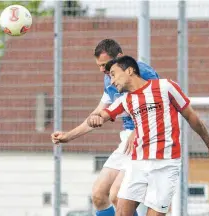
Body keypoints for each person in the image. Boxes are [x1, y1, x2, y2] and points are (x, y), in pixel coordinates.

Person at [87, 55, 209, 216]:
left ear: (130, 70)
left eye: (114, 74)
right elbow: (104, 114)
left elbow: (191, 117)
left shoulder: (166, 86)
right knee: (122, 212)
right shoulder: (126, 100)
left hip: (166, 164)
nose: (111, 81)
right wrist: (95, 118)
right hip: (138, 164)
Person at [51, 39, 159, 216]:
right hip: (127, 140)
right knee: (99, 195)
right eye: (99, 66)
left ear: (119, 57)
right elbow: (98, 114)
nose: (102, 70)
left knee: (118, 196)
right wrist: (68, 136)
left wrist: (140, 130)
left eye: (105, 65)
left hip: (148, 140)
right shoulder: (108, 79)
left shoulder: (144, 73)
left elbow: (160, 107)